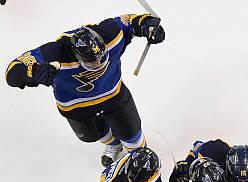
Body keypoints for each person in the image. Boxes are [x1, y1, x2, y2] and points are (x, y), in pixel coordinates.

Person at [5, 13, 165, 166]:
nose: (98, 65)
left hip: (113, 96)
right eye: (92, 64)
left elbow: (130, 21)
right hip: (77, 108)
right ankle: (115, 144)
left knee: (131, 131)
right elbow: (12, 71)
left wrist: (147, 25)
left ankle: (138, 156)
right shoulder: (55, 53)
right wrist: (33, 73)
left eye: (102, 59)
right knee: (96, 134)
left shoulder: (111, 33)